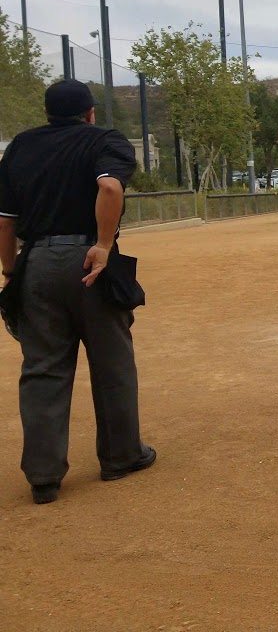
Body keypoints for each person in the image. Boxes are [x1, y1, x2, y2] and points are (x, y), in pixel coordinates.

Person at [0, 79, 156, 504]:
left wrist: (12, 273)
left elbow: (5, 220)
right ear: (90, 112)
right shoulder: (104, 140)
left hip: (36, 263)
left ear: (47, 113)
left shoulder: (21, 147)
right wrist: (103, 246)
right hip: (89, 261)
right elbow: (109, 187)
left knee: (43, 369)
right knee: (112, 362)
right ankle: (121, 457)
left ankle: (43, 475)